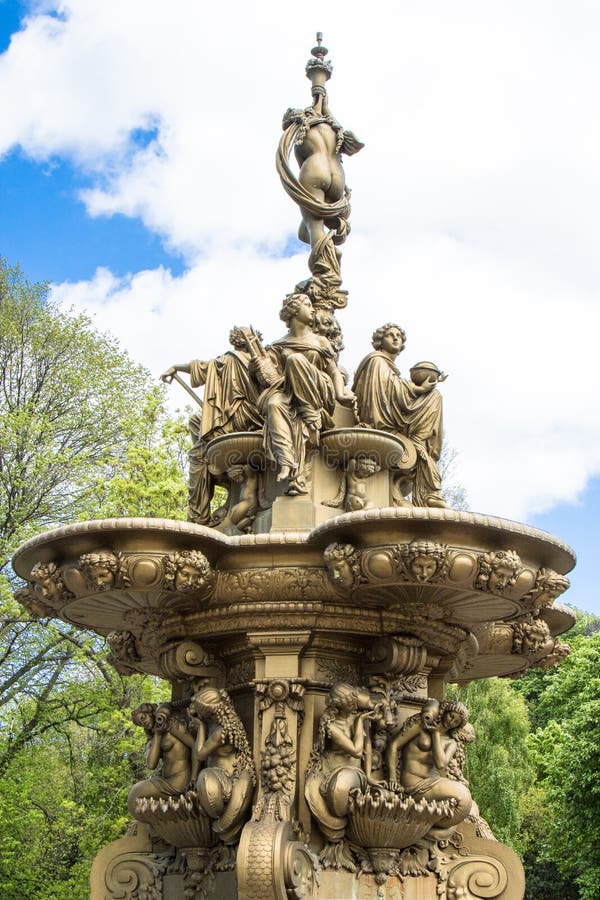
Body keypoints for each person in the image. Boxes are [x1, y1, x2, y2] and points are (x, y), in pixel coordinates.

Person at [252, 293, 355, 494]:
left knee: (295, 360)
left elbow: (334, 371)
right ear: (293, 311)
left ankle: (311, 414)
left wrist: (341, 394)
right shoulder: (277, 346)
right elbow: (269, 378)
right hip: (288, 392)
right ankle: (287, 462)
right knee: (274, 404)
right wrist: (256, 368)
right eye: (307, 304)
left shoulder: (320, 341)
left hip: (318, 390)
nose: (312, 308)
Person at [161, 327, 263, 524]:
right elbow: (202, 367)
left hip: (245, 418)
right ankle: (199, 513)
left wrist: (175, 367)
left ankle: (198, 516)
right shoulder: (232, 360)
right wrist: (176, 367)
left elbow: (201, 367)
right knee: (197, 422)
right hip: (246, 417)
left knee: (198, 449)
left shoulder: (236, 360)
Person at [352, 323, 446, 508]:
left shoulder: (388, 367)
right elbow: (391, 388)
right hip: (382, 418)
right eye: (390, 335)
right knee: (433, 397)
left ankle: (421, 445)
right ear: (380, 340)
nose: (396, 338)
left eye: (399, 336)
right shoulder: (376, 360)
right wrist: (418, 389)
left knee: (435, 396)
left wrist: (425, 387)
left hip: (394, 412)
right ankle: (419, 448)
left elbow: (395, 386)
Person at [305, 683, 377, 853]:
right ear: (339, 705)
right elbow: (356, 751)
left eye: (354, 701)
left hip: (355, 773)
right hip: (332, 771)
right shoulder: (331, 726)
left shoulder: (356, 716)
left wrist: (369, 776)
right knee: (337, 790)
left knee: (344, 786)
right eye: (350, 703)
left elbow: (367, 746)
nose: (354, 706)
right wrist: (360, 723)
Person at [385, 699, 472, 839]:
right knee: (463, 796)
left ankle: (425, 828)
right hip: (412, 781)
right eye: (451, 716)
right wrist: (392, 778)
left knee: (465, 800)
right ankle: (422, 827)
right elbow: (393, 746)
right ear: (445, 711)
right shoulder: (421, 725)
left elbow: (441, 764)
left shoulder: (451, 743)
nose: (451, 722)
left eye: (456, 722)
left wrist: (435, 734)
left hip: (433, 781)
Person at [189, 687, 256, 844]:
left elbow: (200, 754)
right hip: (221, 778)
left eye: (200, 711)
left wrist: (200, 726)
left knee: (205, 778)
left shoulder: (222, 731)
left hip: (226, 784)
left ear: (209, 712)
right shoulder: (223, 724)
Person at [127, 702, 194, 818]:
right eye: (140, 723)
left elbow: (194, 745)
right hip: (165, 780)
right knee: (134, 798)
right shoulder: (152, 741)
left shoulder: (173, 725)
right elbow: (151, 764)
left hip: (180, 780)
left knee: (136, 793)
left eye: (143, 718)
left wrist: (194, 776)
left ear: (151, 713)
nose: (143, 723)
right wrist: (157, 735)